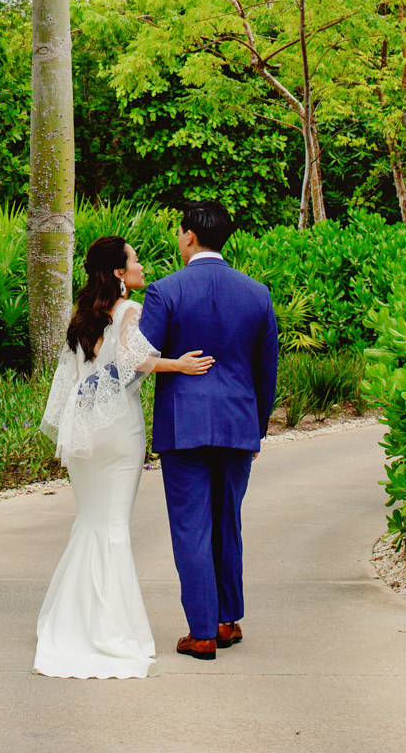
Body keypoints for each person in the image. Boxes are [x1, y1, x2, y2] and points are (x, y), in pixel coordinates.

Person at [34, 235, 215, 679]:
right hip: (117, 431)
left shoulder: (82, 318)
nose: (141, 265)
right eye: (134, 260)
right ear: (118, 273)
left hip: (85, 429)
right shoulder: (130, 310)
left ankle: (69, 621)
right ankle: (110, 630)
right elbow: (136, 360)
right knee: (112, 527)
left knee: (91, 522)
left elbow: (79, 375)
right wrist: (181, 365)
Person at [137, 199, 278, 660]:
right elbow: (266, 371)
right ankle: (226, 620)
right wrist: (256, 430)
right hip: (239, 426)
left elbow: (140, 360)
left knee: (191, 527)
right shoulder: (257, 293)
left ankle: (200, 633)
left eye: (180, 233)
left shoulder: (165, 290)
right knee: (227, 522)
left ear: (190, 236)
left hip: (184, 427)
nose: (179, 240)